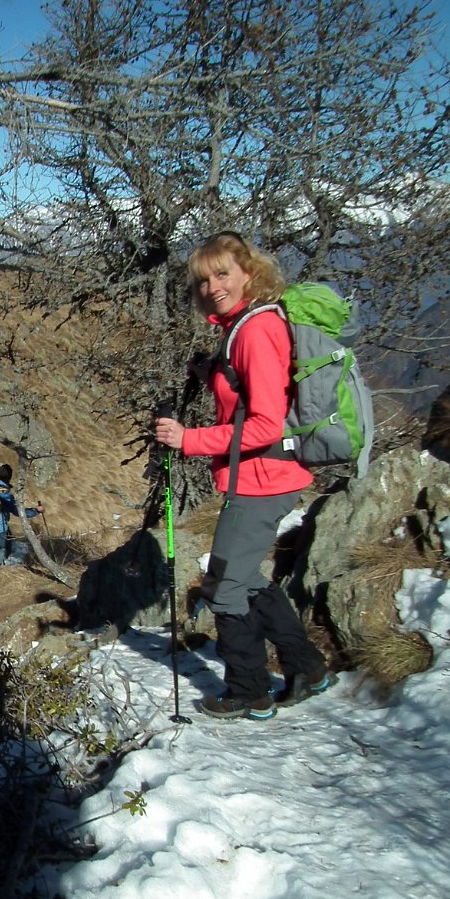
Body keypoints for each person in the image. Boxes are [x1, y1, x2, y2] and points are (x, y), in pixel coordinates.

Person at [154, 232, 334, 720]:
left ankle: (248, 691)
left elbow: (264, 424)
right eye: (204, 280)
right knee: (245, 576)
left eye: (223, 274)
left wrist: (188, 440)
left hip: (264, 478)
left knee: (226, 588)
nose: (213, 287)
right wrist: (212, 371)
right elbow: (249, 388)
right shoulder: (243, 327)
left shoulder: (255, 330)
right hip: (264, 477)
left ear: (249, 273)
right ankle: (307, 668)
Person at [0, 464, 42, 570]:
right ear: (9, 477)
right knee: (5, 549)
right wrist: (35, 511)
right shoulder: (3, 491)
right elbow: (17, 511)